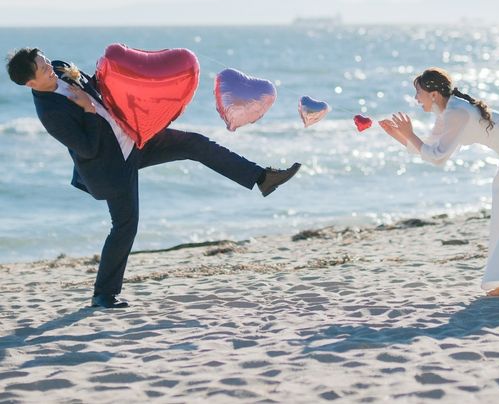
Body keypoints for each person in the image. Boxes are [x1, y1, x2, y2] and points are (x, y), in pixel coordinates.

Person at [6, 48, 301, 309]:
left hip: (135, 138)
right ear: (31, 83)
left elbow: (96, 86)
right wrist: (89, 110)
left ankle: (262, 177)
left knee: (195, 143)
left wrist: (115, 74)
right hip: (111, 167)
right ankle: (103, 295)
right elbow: (87, 148)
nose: (49, 66)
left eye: (45, 60)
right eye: (42, 68)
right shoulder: (50, 113)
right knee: (124, 227)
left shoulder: (59, 67)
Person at [379, 67, 499, 297]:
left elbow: (436, 155)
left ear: (433, 94)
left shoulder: (456, 112)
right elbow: (432, 153)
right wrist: (398, 134)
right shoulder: (447, 113)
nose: (416, 98)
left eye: (418, 92)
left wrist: (409, 133)